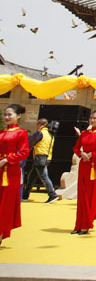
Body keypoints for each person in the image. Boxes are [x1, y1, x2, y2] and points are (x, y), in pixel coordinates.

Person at [72, 110, 96, 235]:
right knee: (82, 194)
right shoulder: (84, 133)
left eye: (95, 118)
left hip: (94, 166)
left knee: (90, 195)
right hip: (84, 164)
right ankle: (79, 224)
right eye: (91, 118)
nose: (92, 120)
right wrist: (81, 154)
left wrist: (93, 154)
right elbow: (76, 148)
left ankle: (86, 224)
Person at [0, 104, 29, 244]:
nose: (6, 117)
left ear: (18, 116)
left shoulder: (21, 133)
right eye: (5, 114)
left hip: (10, 171)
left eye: (9, 115)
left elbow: (24, 152)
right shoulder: (1, 132)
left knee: (5, 202)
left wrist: (7, 160)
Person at [22, 118, 59, 204]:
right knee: (31, 178)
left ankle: (52, 194)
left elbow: (30, 143)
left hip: (40, 157)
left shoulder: (41, 133)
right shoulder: (50, 134)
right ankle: (25, 195)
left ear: (40, 125)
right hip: (47, 157)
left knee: (44, 177)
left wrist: (35, 133)